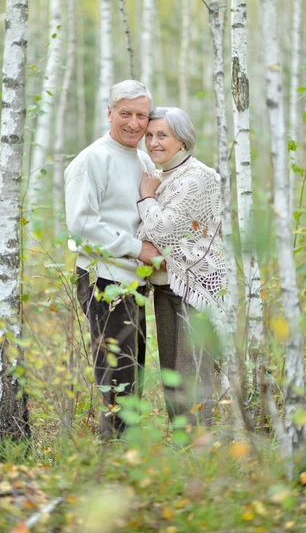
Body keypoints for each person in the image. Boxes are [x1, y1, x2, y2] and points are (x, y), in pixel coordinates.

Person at [64, 80, 161, 438]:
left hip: (133, 282)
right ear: (109, 113)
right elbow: (81, 224)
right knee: (116, 376)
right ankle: (114, 460)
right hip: (104, 280)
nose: (135, 123)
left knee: (132, 371)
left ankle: (127, 452)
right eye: (125, 114)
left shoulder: (142, 158)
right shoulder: (92, 159)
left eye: (142, 115)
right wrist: (139, 250)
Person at [136, 107, 227, 426]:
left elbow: (162, 231)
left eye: (162, 135)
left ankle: (199, 451)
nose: (153, 142)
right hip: (165, 290)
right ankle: (182, 448)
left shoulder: (199, 178)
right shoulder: (163, 176)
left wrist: (146, 199)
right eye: (149, 135)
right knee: (172, 377)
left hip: (194, 290)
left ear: (183, 140)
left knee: (193, 377)